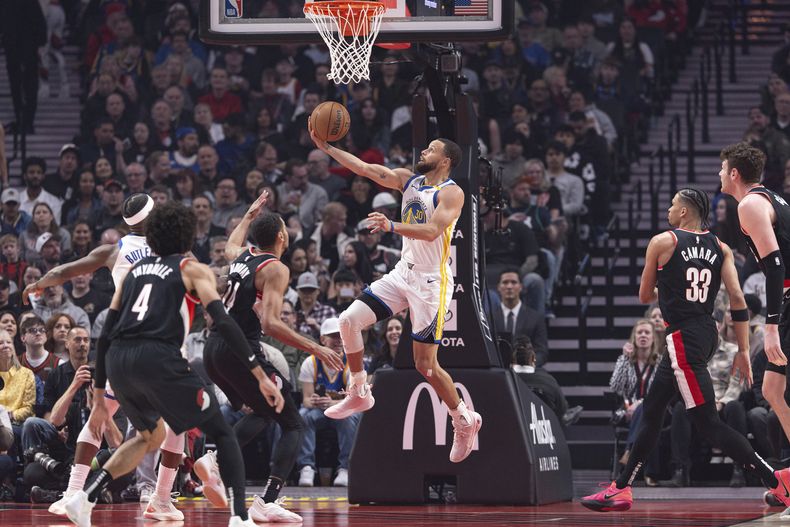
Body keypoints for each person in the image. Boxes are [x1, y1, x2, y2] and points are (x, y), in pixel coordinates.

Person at [62, 201, 282, 527]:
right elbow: (222, 320)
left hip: (120, 360)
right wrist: (258, 372)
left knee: (147, 437)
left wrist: (97, 393)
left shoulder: (135, 271)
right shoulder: (190, 268)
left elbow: (106, 331)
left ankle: (85, 497)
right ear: (188, 235)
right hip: (159, 359)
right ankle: (239, 518)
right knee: (222, 433)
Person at [582, 187, 790, 512]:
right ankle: (620, 488)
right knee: (652, 409)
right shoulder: (722, 248)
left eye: (671, 204)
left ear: (683, 212)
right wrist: (743, 350)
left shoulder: (663, 242)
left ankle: (775, 480)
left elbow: (643, 296)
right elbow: (737, 300)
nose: (667, 209)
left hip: (682, 336)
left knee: (708, 423)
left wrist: (667, 287)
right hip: (706, 333)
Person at [309, 127, 482, 462]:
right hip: (403, 272)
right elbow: (364, 169)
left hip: (432, 284)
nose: (423, 153)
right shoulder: (408, 181)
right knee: (348, 320)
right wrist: (328, 148)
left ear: (445, 160)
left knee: (426, 367)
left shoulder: (452, 193)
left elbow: (432, 231)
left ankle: (463, 418)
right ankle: (359, 389)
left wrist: (391, 226)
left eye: (431, 149)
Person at [24, 194, 187, 519]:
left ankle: (72, 493)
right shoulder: (174, 251)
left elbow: (66, 270)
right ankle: (161, 497)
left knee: (99, 417)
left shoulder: (114, 251)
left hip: (124, 346)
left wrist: (37, 285)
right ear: (155, 217)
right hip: (165, 347)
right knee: (176, 426)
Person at [201, 192, 342, 522]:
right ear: (281, 236)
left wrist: (249, 214)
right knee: (293, 423)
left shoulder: (240, 258)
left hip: (213, 351)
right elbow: (271, 323)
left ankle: (215, 459)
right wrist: (316, 346)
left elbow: (230, 244)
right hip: (239, 350)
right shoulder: (276, 268)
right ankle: (263, 500)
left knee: (265, 412)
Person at [718, 143, 790, 513]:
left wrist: (773, 325)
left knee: (777, 389)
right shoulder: (772, 198)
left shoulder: (749, 205)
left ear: (734, 173)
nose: (718, 174)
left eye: (721, 168)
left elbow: (776, 264)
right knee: (773, 389)